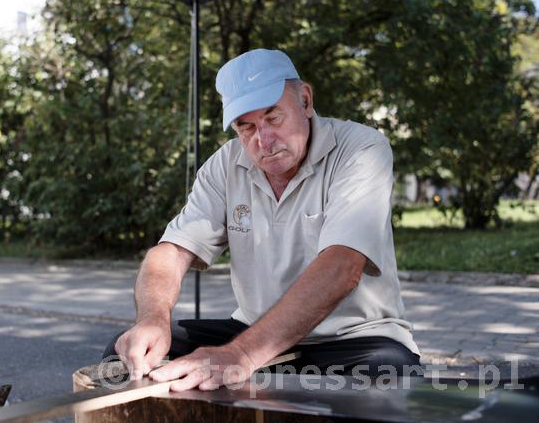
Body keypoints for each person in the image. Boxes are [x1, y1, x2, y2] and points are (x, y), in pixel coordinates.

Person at [104, 49, 420, 392]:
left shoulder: (361, 149)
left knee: (386, 378)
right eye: (247, 126)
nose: (264, 141)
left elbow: (342, 266)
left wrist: (240, 354)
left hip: (353, 339)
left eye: (274, 118)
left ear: (305, 100)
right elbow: (170, 253)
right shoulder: (225, 164)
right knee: (124, 359)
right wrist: (153, 319)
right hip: (253, 329)